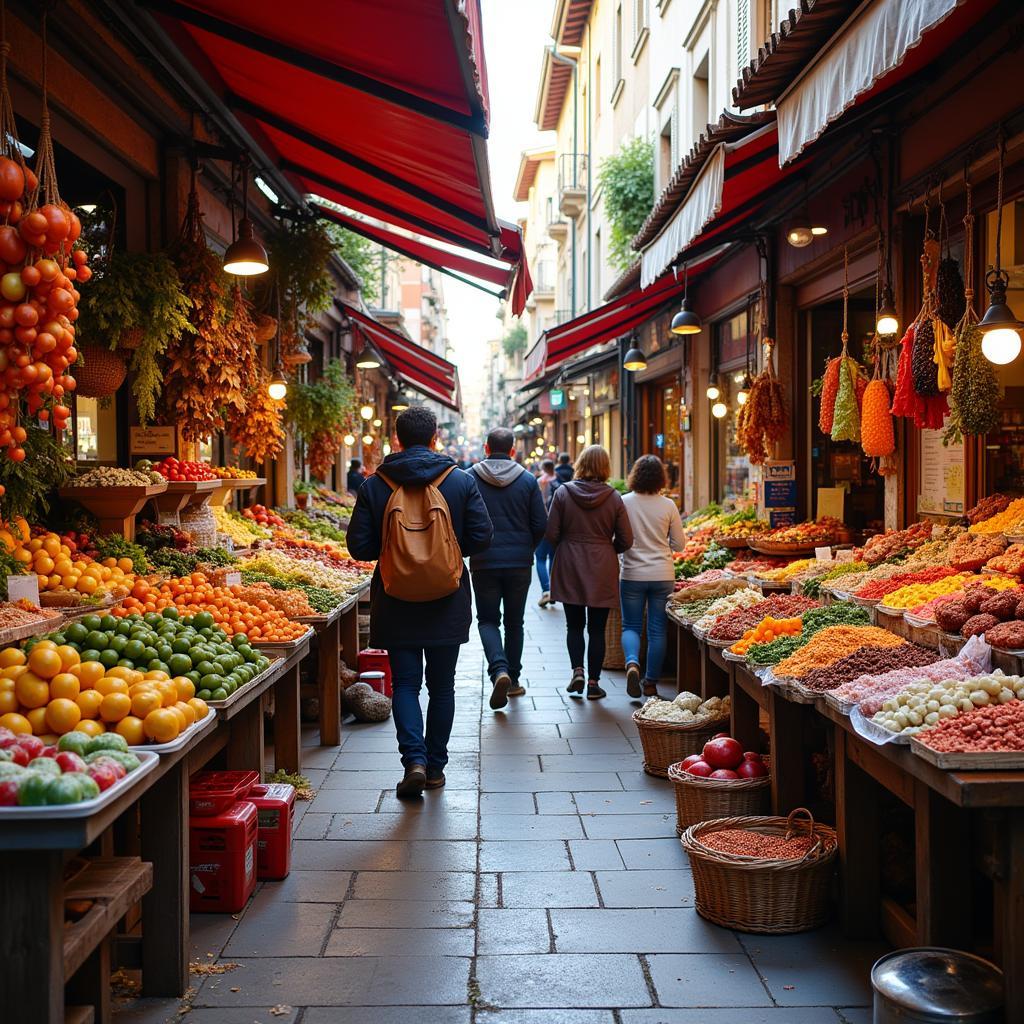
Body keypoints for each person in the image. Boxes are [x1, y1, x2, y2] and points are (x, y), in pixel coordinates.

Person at [346, 406, 493, 798]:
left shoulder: (376, 485)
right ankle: (435, 768)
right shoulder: (460, 482)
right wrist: (447, 549)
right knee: (443, 687)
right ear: (435, 438)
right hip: (447, 598)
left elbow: (358, 547)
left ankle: (413, 760)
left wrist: (395, 550)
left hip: (396, 599)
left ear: (396, 439)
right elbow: (482, 536)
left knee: (406, 684)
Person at [468, 427, 547, 709]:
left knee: (488, 620)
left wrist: (472, 548)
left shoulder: (470, 478)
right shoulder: (527, 480)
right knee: (515, 622)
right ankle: (512, 680)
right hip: (519, 563)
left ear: (486, 449)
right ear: (513, 450)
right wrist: (527, 548)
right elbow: (540, 524)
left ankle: (498, 669)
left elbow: (462, 520)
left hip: (484, 561)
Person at [546, 445, 633, 700]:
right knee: (597, 628)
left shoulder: (563, 493)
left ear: (580, 464)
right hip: (602, 565)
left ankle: (578, 671)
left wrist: (567, 544)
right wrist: (607, 548)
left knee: (573, 625)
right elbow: (626, 539)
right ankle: (594, 683)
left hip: (570, 564)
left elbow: (550, 533)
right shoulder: (614, 497)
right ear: (605, 467)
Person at [620, 455, 685, 699]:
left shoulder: (623, 502)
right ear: (661, 477)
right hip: (662, 574)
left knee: (631, 626)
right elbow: (679, 544)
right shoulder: (668, 505)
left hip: (632, 573)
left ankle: (632, 663)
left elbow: (617, 538)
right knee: (658, 630)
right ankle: (650, 683)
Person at [535, 459, 559, 607]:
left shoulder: (539, 482)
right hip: (556, 526)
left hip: (543, 525)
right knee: (553, 558)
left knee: (540, 558)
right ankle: (553, 590)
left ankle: (546, 590)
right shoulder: (559, 483)